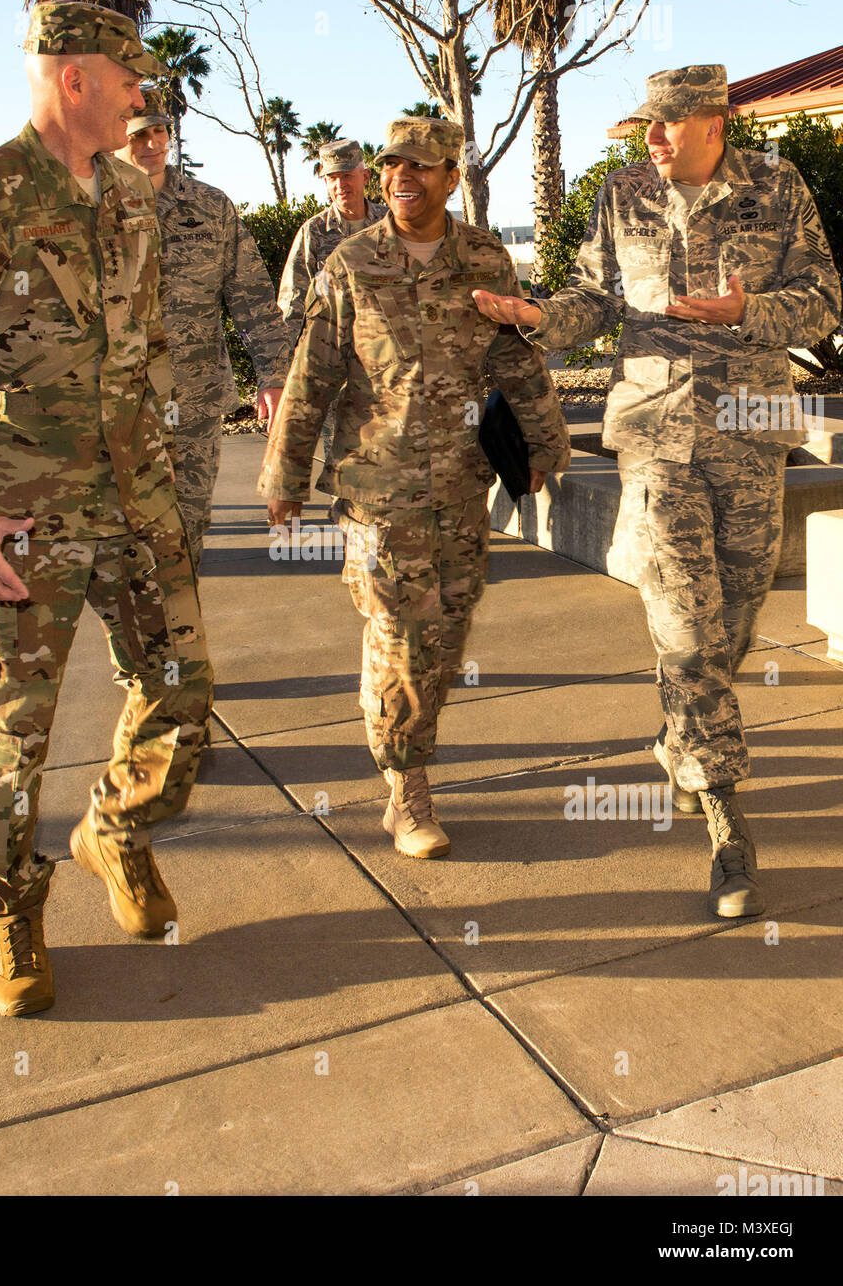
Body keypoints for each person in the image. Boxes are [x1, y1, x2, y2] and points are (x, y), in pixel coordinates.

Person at [0, 2, 214, 1017]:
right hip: (20, 516)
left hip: (137, 498)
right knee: (8, 738)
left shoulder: (128, 192)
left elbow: (146, 334)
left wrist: (163, 469)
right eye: (128, 78)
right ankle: (9, 911)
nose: (140, 96)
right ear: (75, 78)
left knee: (182, 692)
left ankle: (115, 828)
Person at [474, 64, 841, 918]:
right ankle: (726, 821)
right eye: (646, 126)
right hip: (655, 437)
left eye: (668, 126)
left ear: (713, 123)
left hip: (750, 431)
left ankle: (679, 735)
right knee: (682, 617)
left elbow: (824, 300)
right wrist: (533, 318)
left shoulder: (779, 186)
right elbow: (592, 298)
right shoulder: (622, 193)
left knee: (735, 621)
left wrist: (747, 313)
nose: (652, 139)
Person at [259, 117, 570, 859]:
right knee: (402, 635)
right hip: (380, 489)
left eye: (422, 167)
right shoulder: (352, 261)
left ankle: (404, 748)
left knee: (447, 627)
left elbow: (514, 359)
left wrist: (547, 442)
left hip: (462, 484)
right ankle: (407, 788)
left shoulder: (486, 257)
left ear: (451, 178)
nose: (403, 176)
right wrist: (286, 477)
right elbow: (313, 375)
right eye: (394, 164)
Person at [114, 90, 291, 571]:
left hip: (195, 399)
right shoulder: (89, 206)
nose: (151, 144)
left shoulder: (211, 207)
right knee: (123, 540)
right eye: (137, 134)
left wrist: (273, 376)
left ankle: (175, 635)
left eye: (159, 131)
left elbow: (251, 297)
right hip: (114, 407)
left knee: (187, 528)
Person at [279, 138, 388, 456]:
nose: (340, 184)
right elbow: (292, 302)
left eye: (347, 175)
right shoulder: (314, 233)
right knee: (340, 457)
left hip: (386, 363)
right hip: (334, 365)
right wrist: (288, 368)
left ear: (365, 177)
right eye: (332, 177)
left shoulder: (392, 226)